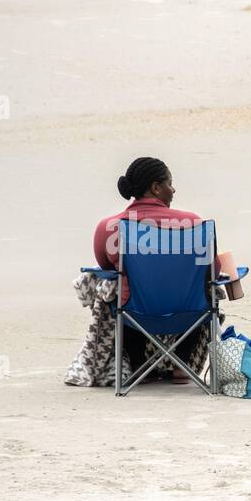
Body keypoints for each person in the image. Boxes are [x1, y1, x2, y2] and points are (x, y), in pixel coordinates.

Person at [93, 157, 222, 384]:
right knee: (205, 289)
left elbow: (105, 268)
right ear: (155, 187)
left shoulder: (109, 227)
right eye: (170, 184)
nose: (173, 190)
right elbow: (213, 270)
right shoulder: (193, 223)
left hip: (135, 315)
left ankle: (139, 363)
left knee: (117, 285)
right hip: (190, 314)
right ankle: (182, 364)